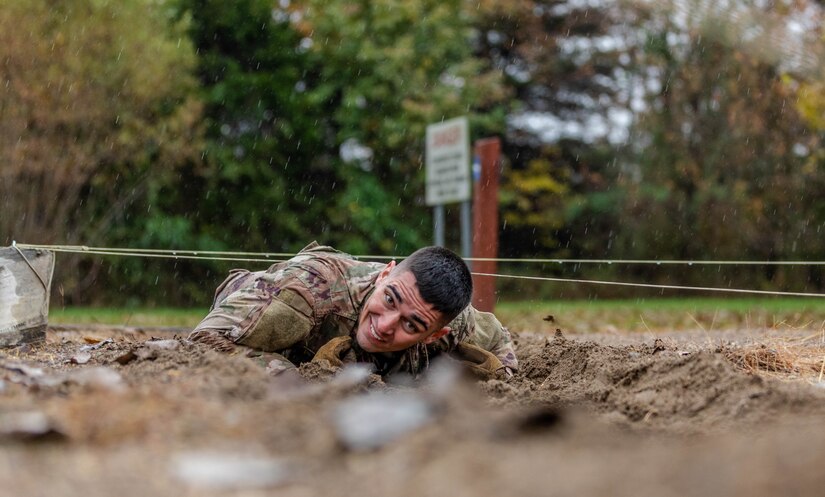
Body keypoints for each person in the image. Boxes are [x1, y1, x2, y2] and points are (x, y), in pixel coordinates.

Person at [188, 242, 517, 379]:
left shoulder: (456, 323)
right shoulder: (308, 290)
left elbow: (499, 338)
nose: (385, 325)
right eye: (390, 300)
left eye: (412, 324)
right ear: (386, 273)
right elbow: (204, 341)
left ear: (436, 334)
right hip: (260, 303)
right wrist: (297, 381)